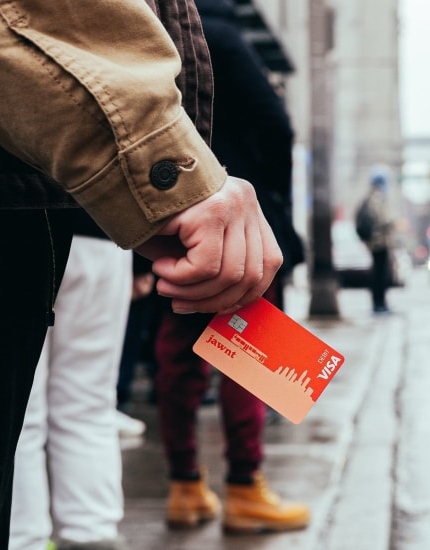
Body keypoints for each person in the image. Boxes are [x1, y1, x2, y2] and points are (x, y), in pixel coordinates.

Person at [0, 1, 281, 547]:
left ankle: (36, 536)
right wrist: (172, 177)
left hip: (58, 199)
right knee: (84, 398)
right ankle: (94, 530)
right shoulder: (228, 41)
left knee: (29, 413)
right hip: (52, 205)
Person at [153, 0, 309, 535]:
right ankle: (245, 487)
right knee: (251, 355)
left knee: (177, 354)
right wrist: (278, 203)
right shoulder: (218, 32)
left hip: (170, 217)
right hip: (236, 219)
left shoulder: (147, 31)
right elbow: (275, 123)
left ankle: (185, 486)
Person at [9, 223, 134, 550]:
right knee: (89, 403)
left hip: (17, 224)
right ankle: (91, 531)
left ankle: (22, 539)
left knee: (18, 412)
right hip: (104, 228)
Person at [358, 169, 396, 313]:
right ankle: (379, 304)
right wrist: (392, 223)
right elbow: (383, 219)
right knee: (380, 274)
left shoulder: (370, 197)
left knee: (378, 273)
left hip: (375, 242)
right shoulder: (378, 198)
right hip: (379, 242)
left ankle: (379, 303)